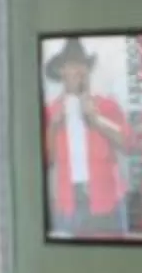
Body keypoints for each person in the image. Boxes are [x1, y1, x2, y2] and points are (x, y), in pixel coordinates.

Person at [43, 39, 134, 237]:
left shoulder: (107, 106)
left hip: (106, 200)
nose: (79, 70)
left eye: (83, 64)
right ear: (61, 71)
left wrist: (97, 120)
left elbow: (129, 144)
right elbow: (46, 162)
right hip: (69, 203)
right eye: (72, 64)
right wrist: (53, 127)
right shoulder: (51, 113)